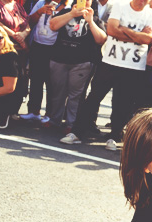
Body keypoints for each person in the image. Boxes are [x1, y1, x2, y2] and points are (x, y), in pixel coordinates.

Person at [74, 0, 152, 150]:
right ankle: (77, 132)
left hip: (134, 67)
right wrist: (137, 36)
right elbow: (111, 30)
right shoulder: (120, 6)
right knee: (93, 98)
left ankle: (114, 136)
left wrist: (124, 29)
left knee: (123, 104)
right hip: (110, 62)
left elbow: (147, 39)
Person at [51, 2, 107, 145]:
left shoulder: (93, 16)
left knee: (76, 95)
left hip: (82, 62)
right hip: (59, 58)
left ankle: (71, 124)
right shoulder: (67, 11)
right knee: (57, 91)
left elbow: (101, 39)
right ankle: (54, 120)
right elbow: (53, 25)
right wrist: (71, 14)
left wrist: (90, 21)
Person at [19, 0, 65, 123]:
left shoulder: (70, 5)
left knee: (52, 82)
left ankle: (50, 114)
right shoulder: (41, 2)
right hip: (38, 45)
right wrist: (40, 11)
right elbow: (30, 21)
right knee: (35, 79)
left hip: (56, 48)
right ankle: (34, 111)